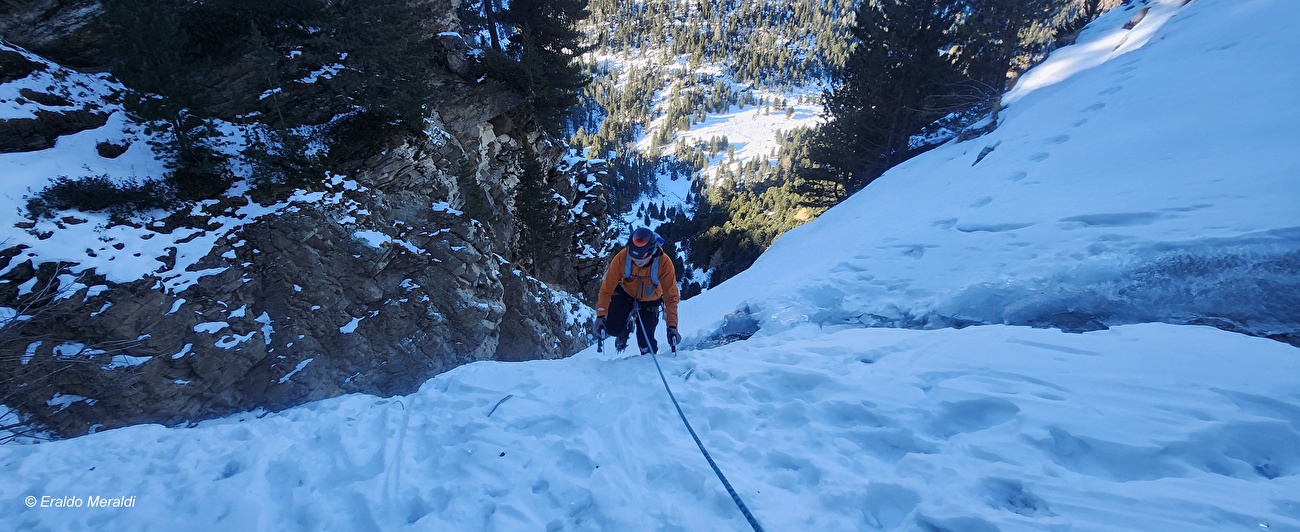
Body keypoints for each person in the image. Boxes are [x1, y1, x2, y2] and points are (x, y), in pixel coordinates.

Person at [593, 227, 682, 354]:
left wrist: (672, 327)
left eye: (641, 259)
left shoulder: (664, 263)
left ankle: (647, 365)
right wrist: (601, 315)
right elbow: (607, 289)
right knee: (612, 328)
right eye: (634, 258)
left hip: (651, 300)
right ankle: (625, 329)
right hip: (626, 293)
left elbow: (671, 297)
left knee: (646, 344)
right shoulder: (622, 257)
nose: (637, 262)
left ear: (652, 253)